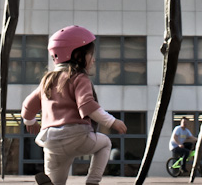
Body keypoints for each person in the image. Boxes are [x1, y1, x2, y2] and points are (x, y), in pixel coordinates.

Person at [22, 25, 127, 185]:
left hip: (51, 140)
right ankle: (92, 182)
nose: (93, 59)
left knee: (56, 181)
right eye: (91, 55)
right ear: (77, 55)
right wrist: (112, 122)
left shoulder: (46, 81)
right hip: (76, 136)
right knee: (105, 143)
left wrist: (30, 122)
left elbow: (28, 106)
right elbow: (87, 106)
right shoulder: (79, 78)